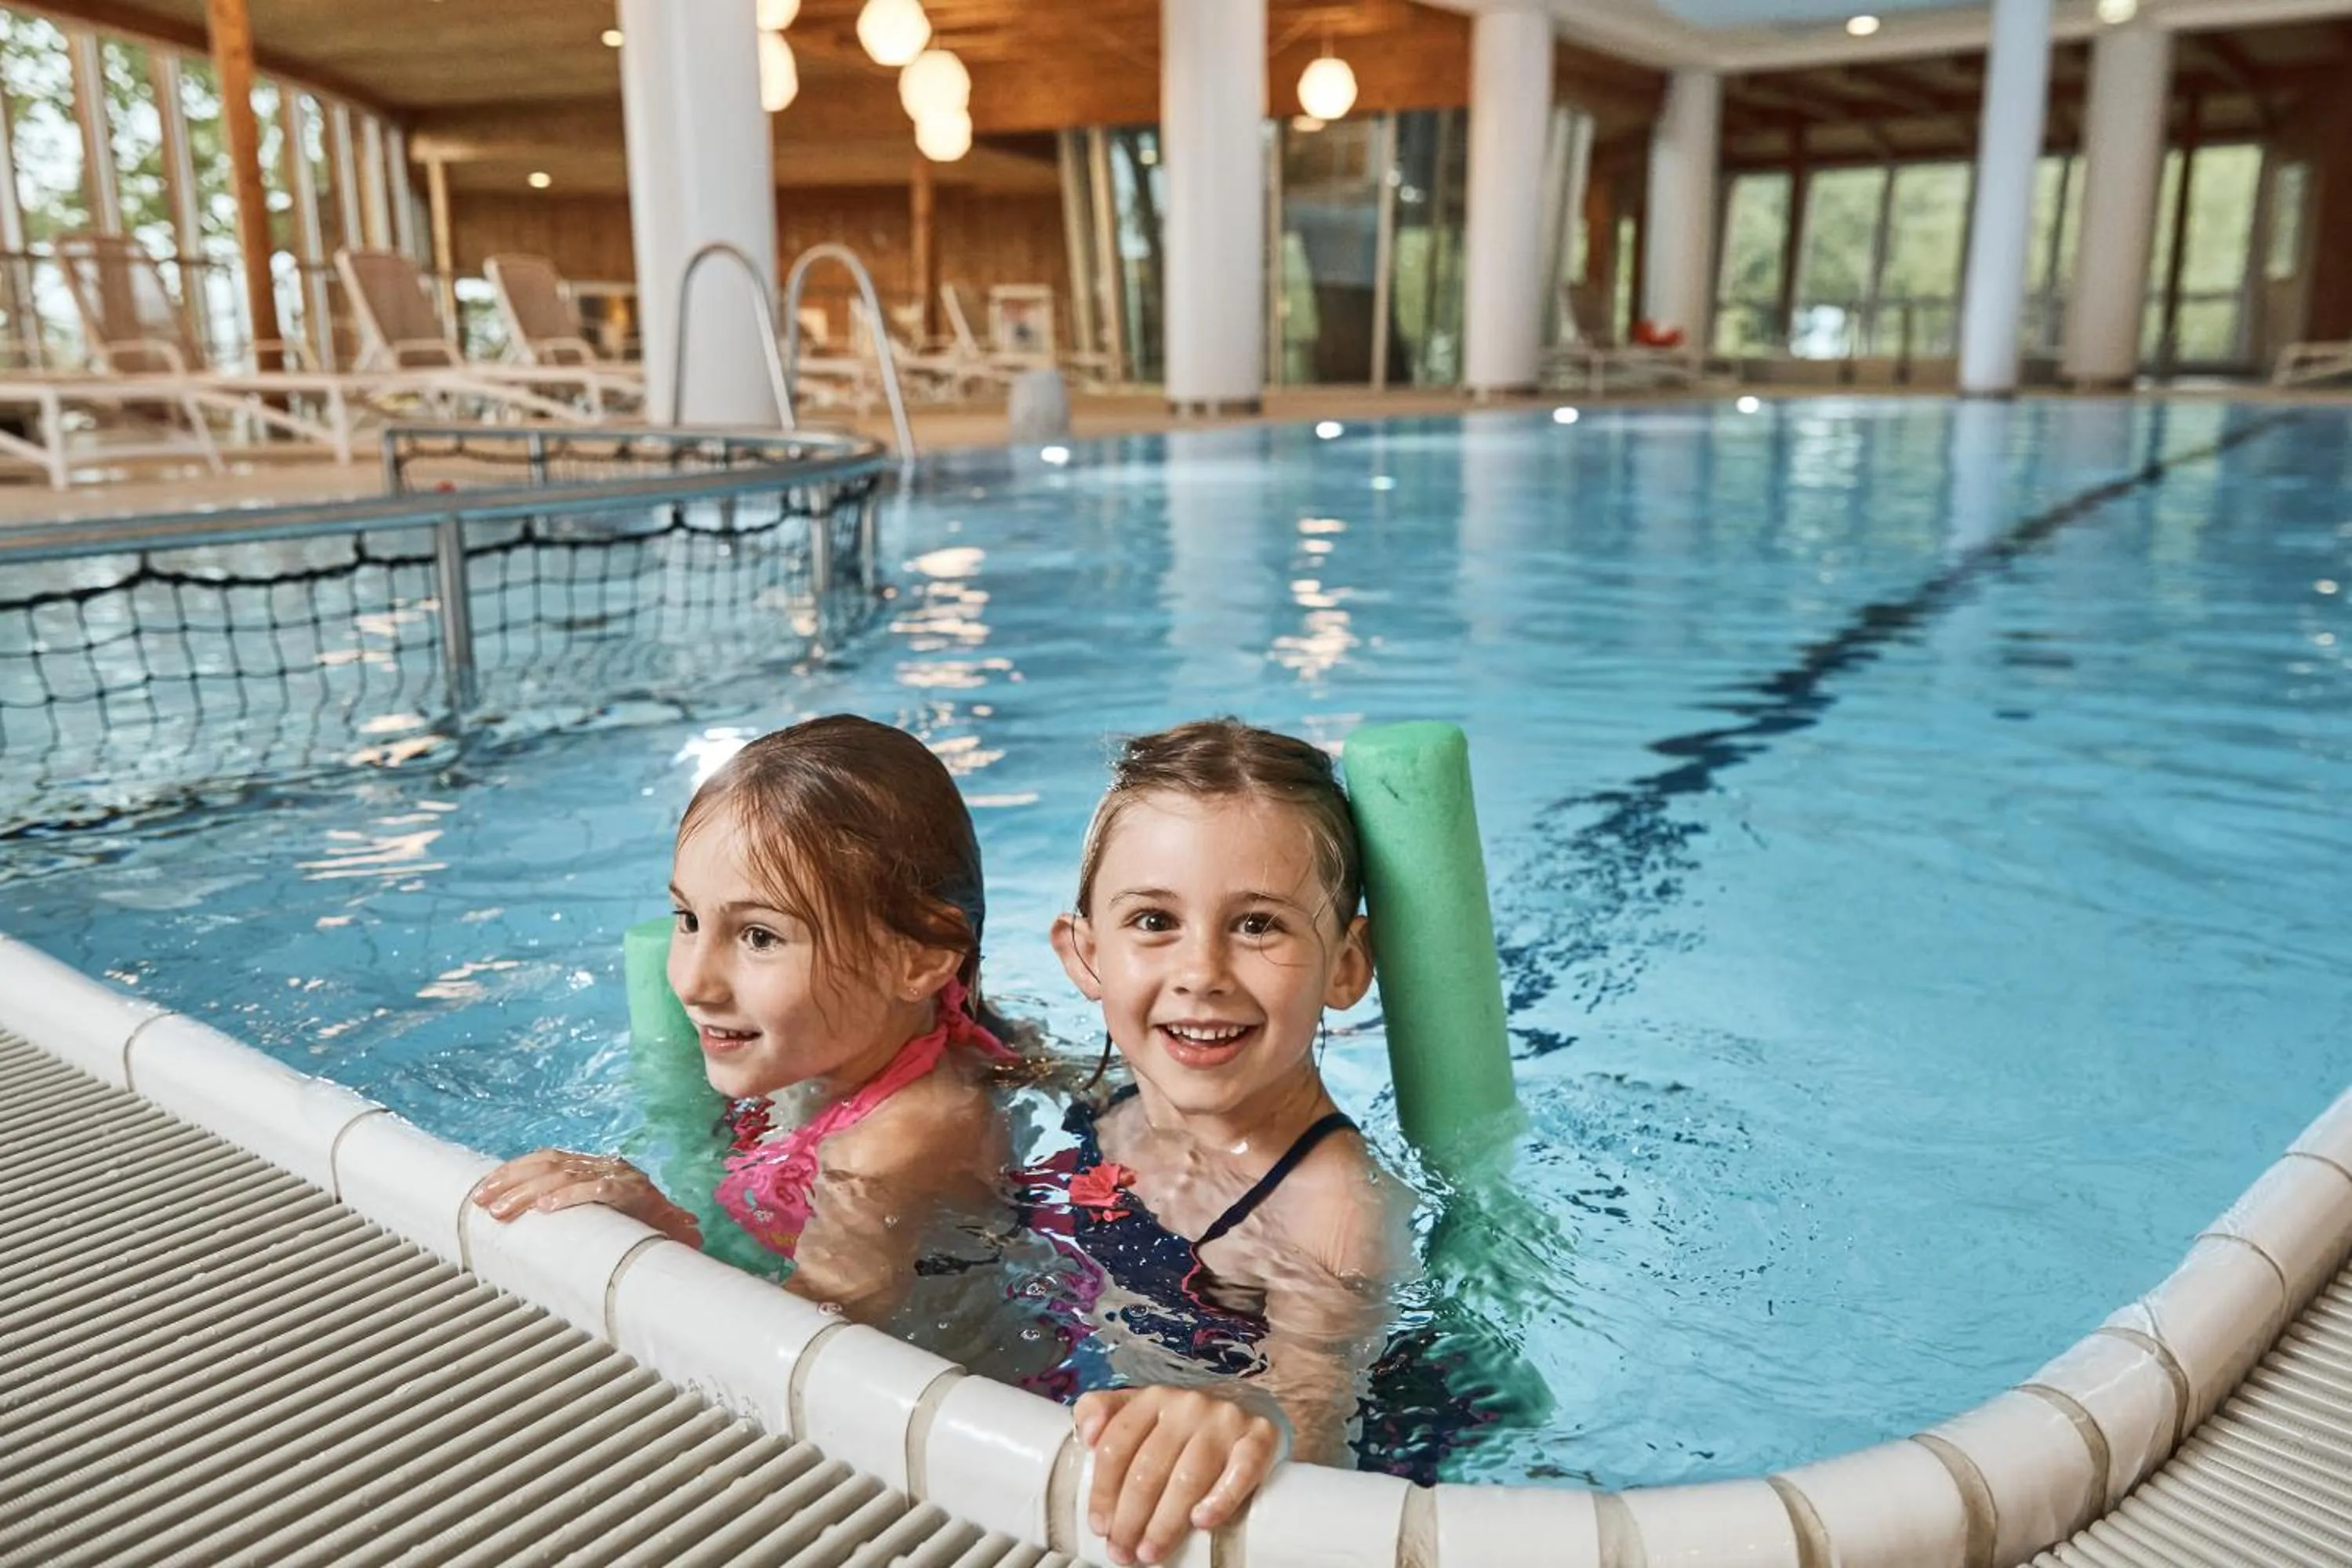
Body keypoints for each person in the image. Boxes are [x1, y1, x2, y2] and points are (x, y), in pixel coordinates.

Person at [474, 714, 1019, 1322]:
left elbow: (804, 1352)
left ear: (919, 960)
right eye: (688, 919)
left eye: (759, 936)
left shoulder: (888, 1148)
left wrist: (662, 1225)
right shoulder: (836, 1039)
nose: (692, 982)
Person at [1030, 718, 1414, 1567]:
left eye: (1258, 925)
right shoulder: (1100, 1098)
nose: (1201, 969)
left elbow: (1316, 1426)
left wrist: (1253, 1419)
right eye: (1155, 919)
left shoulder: (1329, 1203)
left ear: (1347, 966)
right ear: (1086, 954)